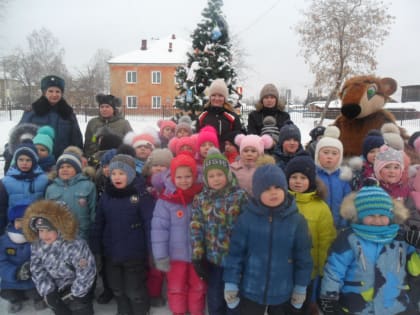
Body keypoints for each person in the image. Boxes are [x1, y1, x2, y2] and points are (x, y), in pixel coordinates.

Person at [223, 163, 313, 315]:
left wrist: (300, 287)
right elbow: (235, 255)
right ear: (257, 193)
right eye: (266, 189)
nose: (273, 193)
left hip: (283, 291)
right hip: (251, 290)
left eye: (277, 187)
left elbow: (303, 258)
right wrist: (231, 283)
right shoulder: (246, 219)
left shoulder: (297, 221)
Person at [319, 186, 420, 315]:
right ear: (360, 216)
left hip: (395, 306)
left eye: (382, 215)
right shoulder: (349, 239)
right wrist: (329, 297)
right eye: (371, 215)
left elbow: (414, 270)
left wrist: (418, 248)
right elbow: (334, 271)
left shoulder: (401, 238)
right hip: (358, 306)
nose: (377, 221)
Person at [92, 154, 155, 315]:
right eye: (113, 174)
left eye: (122, 173)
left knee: (134, 290)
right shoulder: (107, 195)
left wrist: (152, 251)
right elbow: (99, 223)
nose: (117, 177)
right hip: (111, 253)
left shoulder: (141, 195)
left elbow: (150, 224)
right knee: (117, 288)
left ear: (131, 174)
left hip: (134, 253)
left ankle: (141, 311)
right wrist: (97, 250)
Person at [191, 148, 248, 315]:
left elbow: (248, 227)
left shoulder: (240, 196)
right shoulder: (201, 199)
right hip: (213, 261)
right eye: (211, 176)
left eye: (220, 174)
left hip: (235, 261)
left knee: (234, 300)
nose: (216, 179)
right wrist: (197, 255)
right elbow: (196, 228)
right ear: (206, 178)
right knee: (215, 298)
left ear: (228, 175)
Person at [151, 153, 206, 315]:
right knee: (176, 287)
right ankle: (179, 311)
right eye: (179, 176)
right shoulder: (166, 200)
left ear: (194, 176)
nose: (184, 180)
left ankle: (196, 311)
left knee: (198, 286)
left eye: (188, 176)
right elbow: (159, 230)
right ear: (172, 177)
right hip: (175, 256)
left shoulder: (201, 196)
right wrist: (161, 256)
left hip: (198, 255)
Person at [22, 200, 96, 315]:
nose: (44, 235)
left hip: (77, 289)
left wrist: (75, 293)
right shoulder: (37, 246)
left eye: (49, 230)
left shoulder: (76, 244)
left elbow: (86, 271)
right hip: (56, 289)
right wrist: (48, 292)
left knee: (81, 308)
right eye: (41, 230)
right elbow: (37, 269)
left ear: (61, 227)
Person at [285, 155, 336, 314]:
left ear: (311, 181)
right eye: (293, 177)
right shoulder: (281, 202)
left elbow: (325, 241)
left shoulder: (321, 208)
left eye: (303, 177)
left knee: (302, 307)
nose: (298, 181)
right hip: (282, 269)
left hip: (308, 271)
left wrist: (323, 270)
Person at [19, 75, 83, 159]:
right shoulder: (33, 112)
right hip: (37, 160)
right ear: (44, 92)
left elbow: (76, 138)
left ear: (61, 93)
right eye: (50, 91)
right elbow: (20, 134)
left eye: (57, 91)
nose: (54, 94)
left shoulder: (68, 113)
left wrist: (79, 155)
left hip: (62, 161)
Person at [0, 204, 46, 313]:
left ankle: (37, 298)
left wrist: (33, 268)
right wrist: (15, 273)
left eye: (26, 221)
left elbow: (44, 258)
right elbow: (1, 262)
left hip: (32, 280)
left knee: (36, 292)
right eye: (19, 220)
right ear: (12, 222)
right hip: (11, 281)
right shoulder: (4, 240)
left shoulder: (38, 238)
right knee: (8, 293)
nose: (22, 224)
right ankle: (15, 300)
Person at [45, 151, 96, 241]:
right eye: (61, 167)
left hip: (82, 235)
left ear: (77, 169)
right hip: (58, 236)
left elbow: (93, 212)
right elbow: (47, 213)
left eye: (69, 167)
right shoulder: (51, 188)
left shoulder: (88, 186)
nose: (65, 169)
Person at [0, 140, 48, 235]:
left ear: (34, 161)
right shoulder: (6, 182)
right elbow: (2, 208)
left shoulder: (44, 180)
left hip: (37, 228)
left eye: (28, 160)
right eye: (21, 160)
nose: (24, 163)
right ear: (16, 160)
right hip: (13, 227)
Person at [314, 126, 351, 230]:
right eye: (325, 152)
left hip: (338, 226)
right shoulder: (313, 176)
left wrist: (344, 223)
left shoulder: (343, 177)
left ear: (340, 156)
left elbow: (347, 202)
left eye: (334, 153)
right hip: (318, 226)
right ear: (317, 154)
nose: (329, 156)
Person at [84, 93, 132, 160]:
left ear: (114, 109)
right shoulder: (93, 123)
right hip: (96, 159)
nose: (104, 109)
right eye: (102, 107)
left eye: (107, 107)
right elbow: (88, 142)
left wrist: (114, 137)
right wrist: (95, 137)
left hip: (117, 159)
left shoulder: (123, 123)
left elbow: (129, 142)